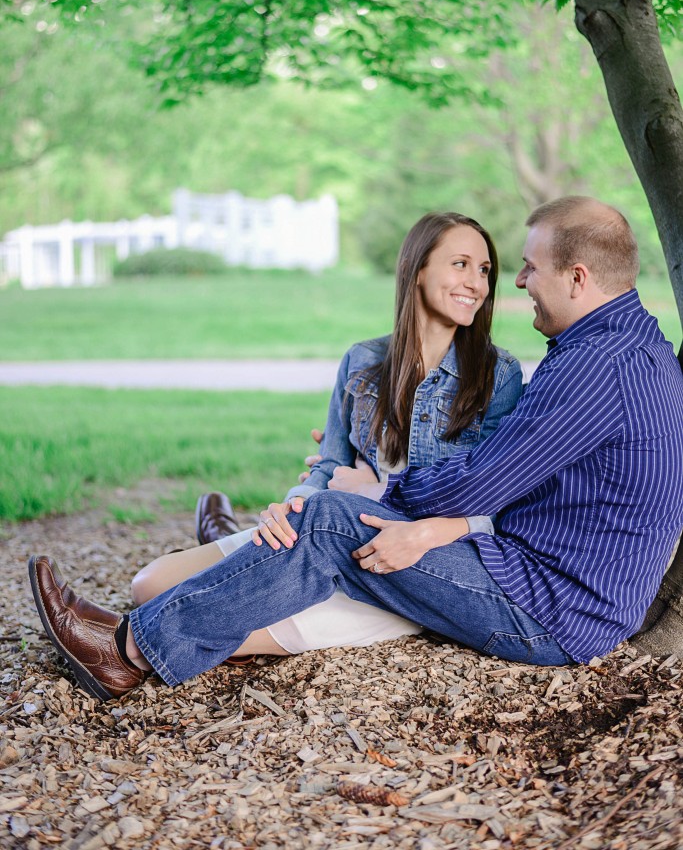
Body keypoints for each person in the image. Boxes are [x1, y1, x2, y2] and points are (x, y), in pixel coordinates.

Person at [29, 197, 683, 702]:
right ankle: (148, 629)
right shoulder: (631, 344)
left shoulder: (594, 368)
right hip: (538, 576)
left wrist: (375, 492)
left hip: (550, 609)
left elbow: (478, 483)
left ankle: (126, 653)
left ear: (575, 276)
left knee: (334, 523)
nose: (513, 282)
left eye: (526, 267)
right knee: (322, 517)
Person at [128, 211, 523, 657]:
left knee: (240, 619)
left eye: (485, 270)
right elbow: (331, 467)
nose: (476, 282)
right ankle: (228, 538)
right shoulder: (363, 361)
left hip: (410, 558)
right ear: (417, 270)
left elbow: (487, 501)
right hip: (327, 526)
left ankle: (128, 641)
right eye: (461, 264)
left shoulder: (497, 375)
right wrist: (290, 505)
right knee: (151, 584)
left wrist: (377, 491)